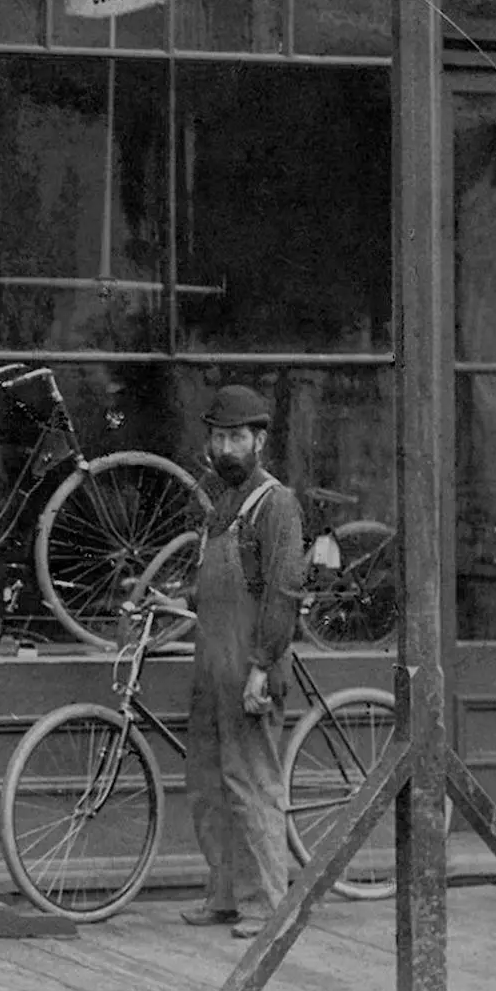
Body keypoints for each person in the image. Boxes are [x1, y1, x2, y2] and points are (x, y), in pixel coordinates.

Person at [184, 383, 308, 941]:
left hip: (252, 663)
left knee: (252, 781)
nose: (225, 448)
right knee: (208, 780)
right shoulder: (217, 504)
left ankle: (267, 905)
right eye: (217, 437)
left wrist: (262, 663)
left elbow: (285, 589)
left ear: (259, 440)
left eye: (236, 438)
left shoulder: (274, 503)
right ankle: (224, 895)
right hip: (211, 664)